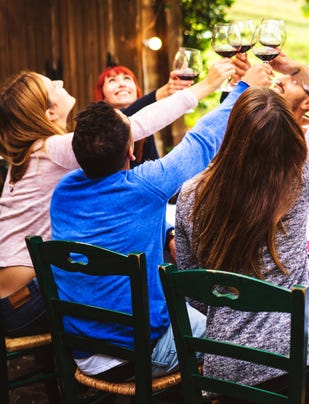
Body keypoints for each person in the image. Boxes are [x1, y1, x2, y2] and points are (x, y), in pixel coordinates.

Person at [48, 60, 270, 380]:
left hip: (82, 352)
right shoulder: (145, 186)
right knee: (239, 327)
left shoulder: (63, 192)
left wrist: (165, 231)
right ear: (131, 153)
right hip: (139, 353)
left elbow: (117, 228)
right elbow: (203, 142)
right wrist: (244, 88)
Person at [174, 47, 309, 403]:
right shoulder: (297, 185)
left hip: (224, 376)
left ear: (232, 134)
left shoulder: (189, 195)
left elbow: (194, 291)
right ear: (287, 142)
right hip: (301, 375)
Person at [0, 68, 226, 338]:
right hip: (24, 299)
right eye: (53, 86)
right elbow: (130, 127)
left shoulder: (26, 157)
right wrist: (206, 86)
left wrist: (159, 94)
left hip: (12, 298)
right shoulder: (51, 150)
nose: (61, 81)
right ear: (49, 113)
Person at [93, 65, 193, 166]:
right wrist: (165, 91)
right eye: (112, 81)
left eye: (127, 78)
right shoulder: (99, 124)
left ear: (136, 90)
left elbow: (154, 166)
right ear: (103, 96)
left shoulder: (145, 126)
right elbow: (122, 118)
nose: (122, 84)